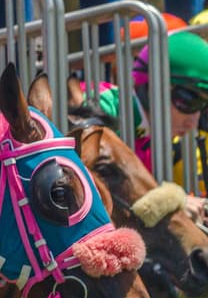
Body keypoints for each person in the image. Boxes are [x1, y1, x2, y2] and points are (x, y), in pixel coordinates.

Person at [78, 27, 208, 218]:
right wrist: (168, 202)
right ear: (152, 86)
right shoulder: (102, 104)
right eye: (188, 100)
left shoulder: (152, 140)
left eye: (203, 108)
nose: (193, 122)